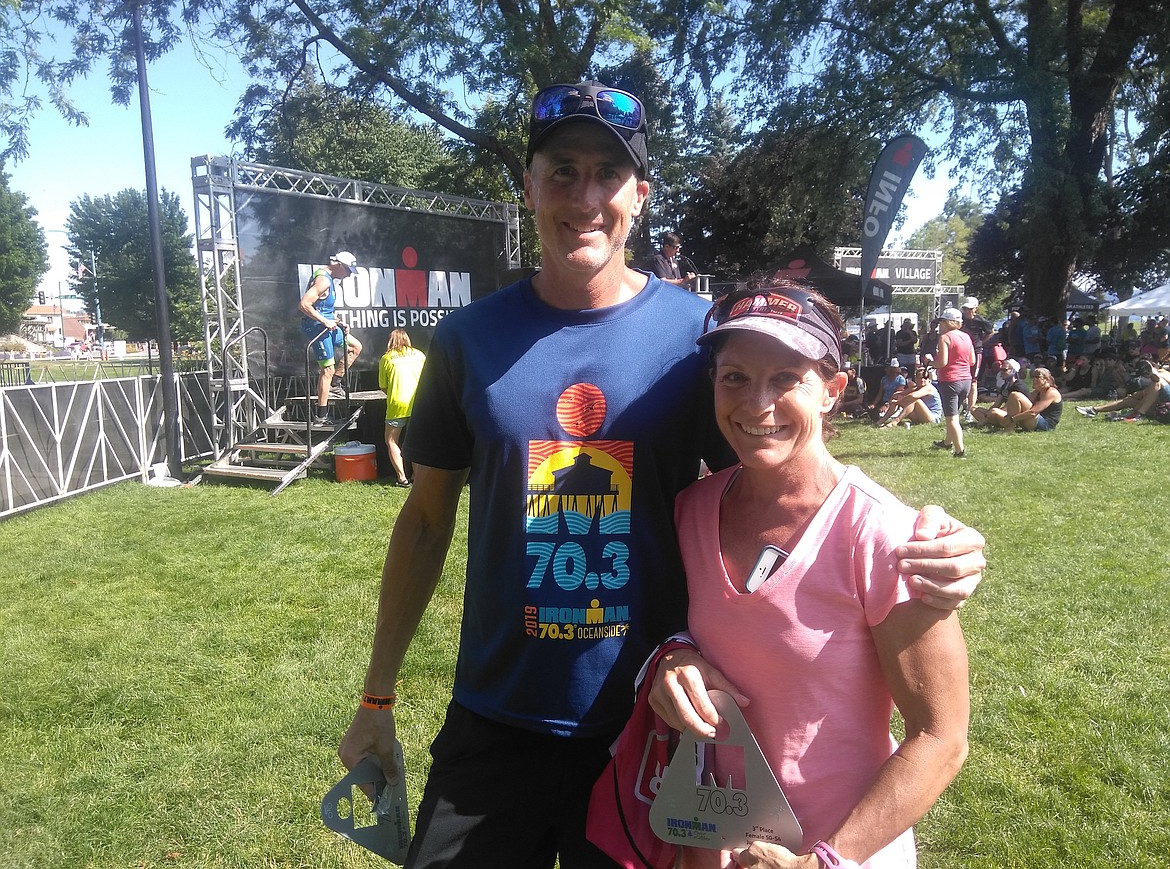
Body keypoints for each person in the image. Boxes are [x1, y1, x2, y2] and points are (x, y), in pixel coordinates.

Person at [337, 80, 986, 869]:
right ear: (529, 186)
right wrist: (377, 693)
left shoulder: (697, 340)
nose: (585, 196)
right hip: (495, 718)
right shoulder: (470, 338)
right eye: (562, 171)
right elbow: (428, 517)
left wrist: (925, 536)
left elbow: (779, 473)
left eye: (608, 175)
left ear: (639, 197)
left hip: (650, 728)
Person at [650, 281, 969, 869]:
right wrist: (672, 656)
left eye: (785, 379)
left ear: (832, 391)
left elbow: (941, 738)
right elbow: (677, 626)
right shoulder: (690, 510)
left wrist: (826, 860)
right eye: (735, 377)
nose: (755, 404)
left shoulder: (883, 535)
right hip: (711, 845)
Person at [299, 251, 364, 427]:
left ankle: (335, 384)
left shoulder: (329, 279)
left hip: (328, 325)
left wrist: (338, 321)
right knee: (327, 369)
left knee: (355, 347)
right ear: (339, 265)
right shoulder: (324, 280)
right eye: (348, 270)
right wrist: (324, 321)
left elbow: (322, 307)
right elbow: (304, 304)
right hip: (317, 329)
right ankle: (321, 416)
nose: (349, 275)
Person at [378, 328, 426, 487]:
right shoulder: (419, 355)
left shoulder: (386, 358)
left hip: (397, 405)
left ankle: (402, 478)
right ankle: (416, 476)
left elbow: (383, 386)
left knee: (391, 440)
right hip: (418, 404)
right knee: (418, 442)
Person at [933, 307, 975, 457]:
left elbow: (942, 362)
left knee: (951, 418)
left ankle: (960, 451)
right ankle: (947, 442)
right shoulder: (967, 337)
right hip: (966, 380)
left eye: (942, 321)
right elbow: (972, 360)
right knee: (955, 413)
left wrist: (930, 363)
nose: (941, 325)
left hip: (950, 380)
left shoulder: (945, 338)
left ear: (949, 322)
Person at [1075, 359, 1170, 422]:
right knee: (1129, 400)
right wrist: (1134, 396)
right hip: (1158, 407)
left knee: (1158, 381)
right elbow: (1144, 394)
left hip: (1165, 403)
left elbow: (1159, 381)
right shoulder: (1152, 386)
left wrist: (1156, 374)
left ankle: (1138, 414)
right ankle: (1093, 410)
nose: (1146, 376)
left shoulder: (1163, 374)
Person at [877, 364, 942, 428]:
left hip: (933, 418)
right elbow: (899, 393)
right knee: (899, 396)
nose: (922, 380)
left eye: (925, 378)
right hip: (920, 416)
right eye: (920, 378)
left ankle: (895, 421)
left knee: (914, 400)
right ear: (916, 379)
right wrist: (893, 398)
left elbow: (913, 396)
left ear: (929, 380)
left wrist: (897, 402)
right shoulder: (917, 387)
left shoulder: (929, 388)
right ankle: (881, 421)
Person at [971, 358, 1029, 429]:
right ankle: (988, 422)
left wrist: (991, 413)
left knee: (994, 412)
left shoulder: (1019, 386)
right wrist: (989, 412)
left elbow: (1009, 408)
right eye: (1001, 369)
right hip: (1005, 414)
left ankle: (986, 422)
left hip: (1016, 416)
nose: (1001, 372)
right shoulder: (1005, 386)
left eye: (1005, 370)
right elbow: (996, 404)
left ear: (1013, 371)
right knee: (974, 409)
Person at [959, 297, 993, 417]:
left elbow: (991, 331)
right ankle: (964, 404)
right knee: (962, 379)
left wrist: (981, 343)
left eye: (969, 309)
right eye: (965, 308)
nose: (967, 311)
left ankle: (970, 409)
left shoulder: (981, 321)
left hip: (975, 352)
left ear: (975, 309)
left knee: (973, 381)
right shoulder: (960, 319)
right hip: (961, 352)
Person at [1008, 366, 1063, 431]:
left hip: (1046, 425)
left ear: (1047, 380)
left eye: (1037, 377)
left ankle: (1009, 428)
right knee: (1012, 396)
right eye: (1033, 377)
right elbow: (1022, 405)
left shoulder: (1052, 392)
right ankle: (1009, 426)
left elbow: (1033, 412)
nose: (1034, 379)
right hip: (1034, 420)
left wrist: (1012, 419)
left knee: (1016, 395)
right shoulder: (1037, 392)